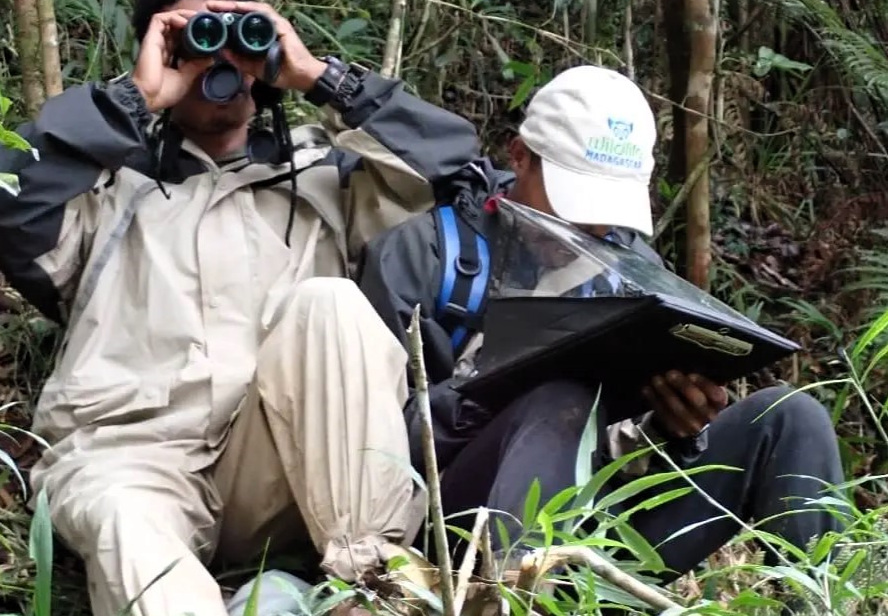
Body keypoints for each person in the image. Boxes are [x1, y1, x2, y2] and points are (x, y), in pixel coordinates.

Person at [0, 0, 488, 614]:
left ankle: (377, 588)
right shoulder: (105, 191)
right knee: (128, 524)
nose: (221, 60)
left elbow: (457, 169)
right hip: (131, 458)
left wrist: (322, 77)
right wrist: (136, 96)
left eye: (242, 38)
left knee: (330, 304)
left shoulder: (330, 177)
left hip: (278, 464)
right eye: (194, 39)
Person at [354, 65, 846, 582]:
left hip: (605, 527)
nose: (593, 227)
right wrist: (498, 386)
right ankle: (521, 604)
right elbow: (374, 446)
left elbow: (635, 448)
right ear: (519, 157)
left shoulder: (632, 272)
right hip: (459, 527)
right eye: (575, 204)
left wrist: (677, 428)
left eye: (605, 209)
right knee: (559, 399)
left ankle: (814, 599)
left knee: (794, 418)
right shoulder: (429, 253)